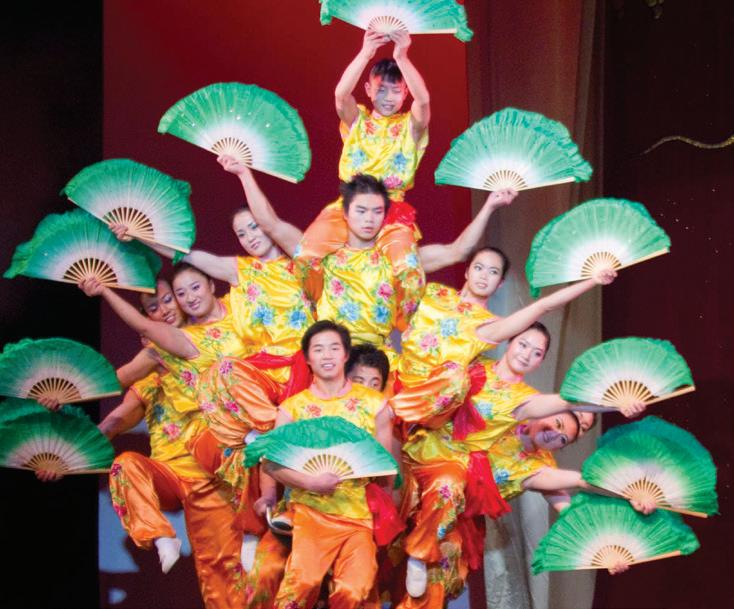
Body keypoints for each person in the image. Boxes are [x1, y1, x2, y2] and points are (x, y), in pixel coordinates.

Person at [397, 323, 647, 598]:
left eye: (573, 433)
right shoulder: (509, 406)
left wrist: (609, 541)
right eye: (564, 419)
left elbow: (575, 502)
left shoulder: (540, 468)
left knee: (430, 590)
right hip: (420, 469)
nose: (560, 431)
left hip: (449, 517)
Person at [42, 276, 245, 609]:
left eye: (168, 300)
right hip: (169, 475)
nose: (163, 310)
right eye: (153, 308)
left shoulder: (212, 340)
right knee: (124, 466)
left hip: (213, 477)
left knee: (221, 573)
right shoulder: (152, 369)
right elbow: (114, 416)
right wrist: (64, 408)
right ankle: (161, 535)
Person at [219, 161, 516, 367]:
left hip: (378, 364)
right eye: (361, 211)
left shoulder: (396, 260)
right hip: (330, 361)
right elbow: (270, 223)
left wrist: (489, 206)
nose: (369, 219)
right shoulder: (325, 257)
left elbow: (458, 251)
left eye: (376, 212)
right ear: (345, 213)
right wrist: (244, 174)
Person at [252, 321, 393, 609]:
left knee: (354, 591)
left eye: (334, 348)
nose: (327, 355)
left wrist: (385, 510)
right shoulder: (292, 409)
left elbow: (385, 469)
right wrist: (308, 482)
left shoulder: (375, 405)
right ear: (307, 358)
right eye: (318, 349)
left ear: (345, 355)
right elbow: (271, 464)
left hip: (357, 517)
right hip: (310, 513)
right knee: (300, 586)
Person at [298, 28, 431, 283]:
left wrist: (402, 56)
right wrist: (365, 52)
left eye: (396, 90)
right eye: (381, 90)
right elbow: (340, 95)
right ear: (368, 89)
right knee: (306, 255)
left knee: (407, 271)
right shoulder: (358, 120)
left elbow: (423, 101)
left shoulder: (410, 126)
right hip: (350, 207)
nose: (388, 97)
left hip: (391, 210)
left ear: (405, 92)